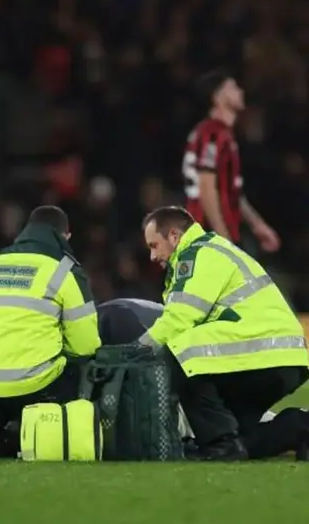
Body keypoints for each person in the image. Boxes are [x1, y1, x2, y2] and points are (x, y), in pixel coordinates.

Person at [139, 206, 309, 461]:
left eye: (154, 245)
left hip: (262, 352)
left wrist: (140, 347)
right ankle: (300, 427)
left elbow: (181, 316)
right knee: (241, 438)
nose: (152, 256)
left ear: (174, 236)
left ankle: (219, 443)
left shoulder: (198, 255)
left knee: (179, 350)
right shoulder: (213, 250)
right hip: (281, 355)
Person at [0, 205, 101, 458]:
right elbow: (85, 345)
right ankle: (27, 426)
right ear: (65, 236)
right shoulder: (64, 270)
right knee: (77, 367)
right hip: (33, 384)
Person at [181, 69, 279, 251]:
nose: (240, 91)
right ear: (218, 97)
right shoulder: (213, 134)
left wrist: (257, 224)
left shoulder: (221, 134)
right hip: (207, 235)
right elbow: (206, 188)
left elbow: (231, 191)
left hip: (215, 234)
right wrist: (223, 240)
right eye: (233, 88)